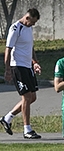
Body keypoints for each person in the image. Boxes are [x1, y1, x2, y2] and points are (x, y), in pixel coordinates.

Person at [2, 8, 42, 139]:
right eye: (33, 22)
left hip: (27, 66)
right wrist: (7, 70)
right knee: (26, 97)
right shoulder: (15, 28)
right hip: (17, 66)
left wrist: (35, 62)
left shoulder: (28, 28)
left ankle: (7, 118)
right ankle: (27, 130)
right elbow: (8, 50)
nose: (33, 25)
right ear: (27, 18)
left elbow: (30, 47)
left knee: (33, 97)